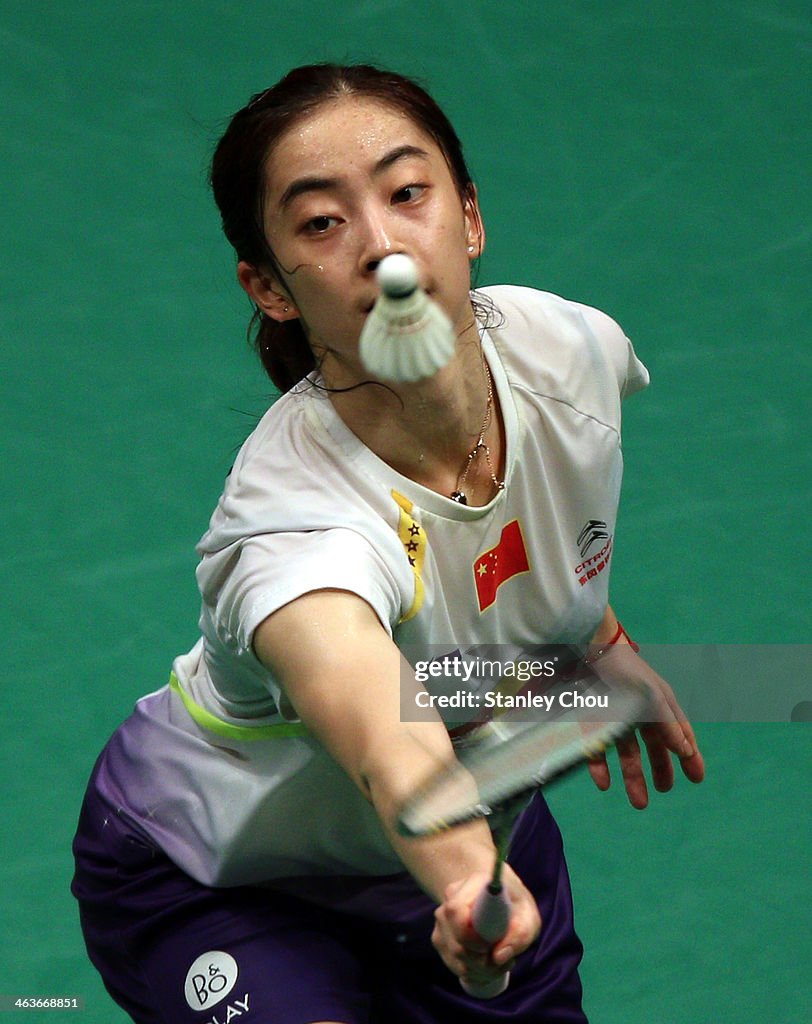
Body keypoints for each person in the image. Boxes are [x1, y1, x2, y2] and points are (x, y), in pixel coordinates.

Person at [72, 63, 705, 1024]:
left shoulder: (572, 355)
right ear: (269, 286)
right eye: (321, 223)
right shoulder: (295, 536)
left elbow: (517, 542)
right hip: (220, 874)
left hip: (476, 842)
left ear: (471, 218)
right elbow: (387, 742)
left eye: (408, 193)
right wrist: (458, 877)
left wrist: (601, 644)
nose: (382, 246)